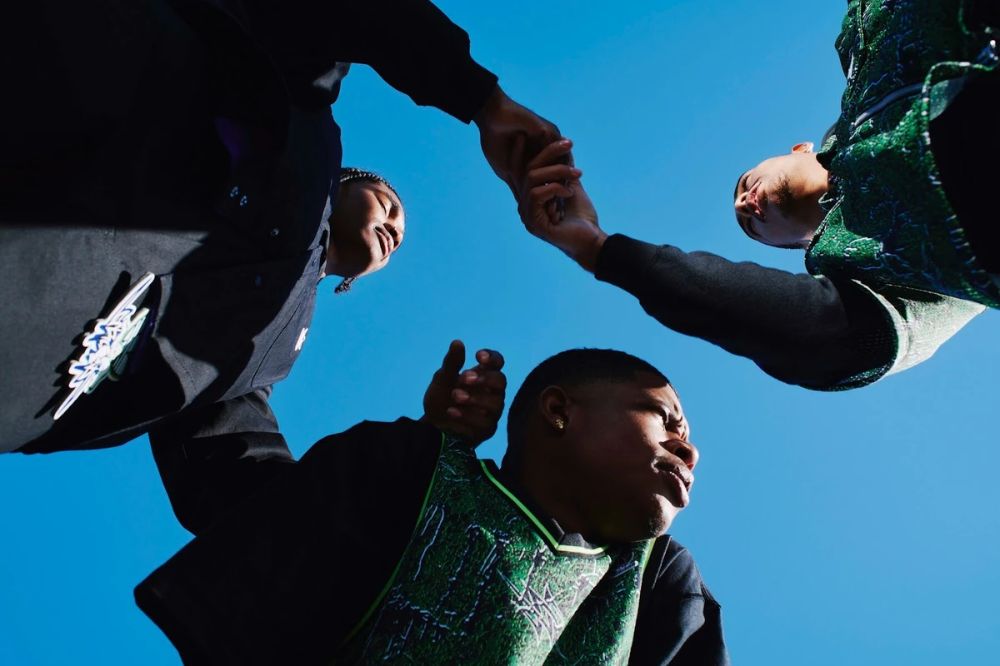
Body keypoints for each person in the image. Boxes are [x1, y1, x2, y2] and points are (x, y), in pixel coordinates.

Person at [0, 0, 558, 454]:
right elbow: (347, 15)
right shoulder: (303, 115)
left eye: (399, 237)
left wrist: (430, 443)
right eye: (386, 202)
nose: (393, 226)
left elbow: (246, 486)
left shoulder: (267, 357)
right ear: (343, 180)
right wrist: (480, 99)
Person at [135, 346, 728, 665]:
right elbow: (249, 501)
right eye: (667, 419)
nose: (689, 448)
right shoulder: (412, 474)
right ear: (558, 411)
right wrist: (423, 448)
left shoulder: (656, 586)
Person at [516, 0, 997, 391]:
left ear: (798, 148)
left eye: (745, 185)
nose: (746, 204)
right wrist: (598, 249)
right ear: (800, 247)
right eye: (750, 224)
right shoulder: (886, 271)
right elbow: (822, 337)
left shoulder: (862, 52)